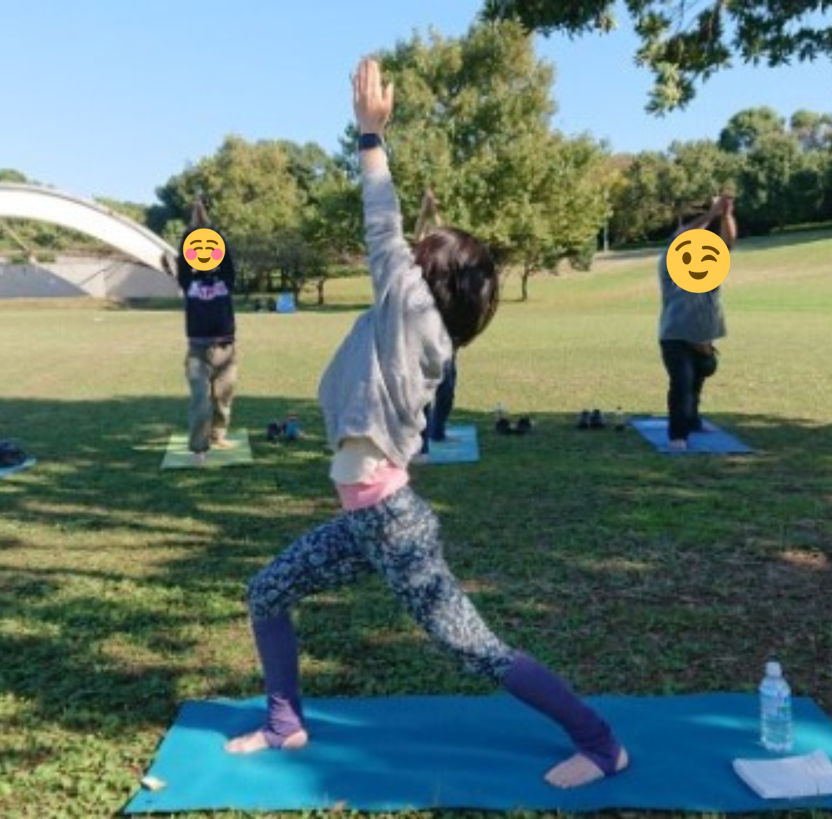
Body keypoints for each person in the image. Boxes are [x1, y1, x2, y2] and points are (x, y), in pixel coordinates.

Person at [224, 58, 629, 790]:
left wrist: (370, 137)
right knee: (268, 591)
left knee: (475, 647)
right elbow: (395, 247)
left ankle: (601, 743)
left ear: (428, 278)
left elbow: (383, 225)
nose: (405, 258)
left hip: (392, 523)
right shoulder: (413, 322)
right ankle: (284, 719)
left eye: (418, 258)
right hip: (365, 521)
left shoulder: (411, 314)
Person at [658, 194, 736, 450]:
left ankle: (692, 422)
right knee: (681, 384)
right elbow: (684, 236)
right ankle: (677, 435)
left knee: (697, 381)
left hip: (703, 335)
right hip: (676, 334)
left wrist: (725, 215)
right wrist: (711, 213)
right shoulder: (673, 256)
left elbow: (729, 242)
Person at [175, 199, 238, 465]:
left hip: (226, 349)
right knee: (201, 402)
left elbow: (226, 259)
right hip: (198, 351)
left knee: (223, 399)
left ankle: (218, 433)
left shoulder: (226, 279)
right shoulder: (188, 281)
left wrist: (210, 229)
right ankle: (199, 448)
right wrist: (193, 228)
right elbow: (182, 260)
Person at [415, 188, 458, 458]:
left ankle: (437, 430)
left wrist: (434, 211)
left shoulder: (449, 264)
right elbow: (419, 233)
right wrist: (425, 208)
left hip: (448, 333)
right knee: (424, 389)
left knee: (448, 387)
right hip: (422, 333)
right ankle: (422, 442)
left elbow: (446, 237)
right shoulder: (417, 265)